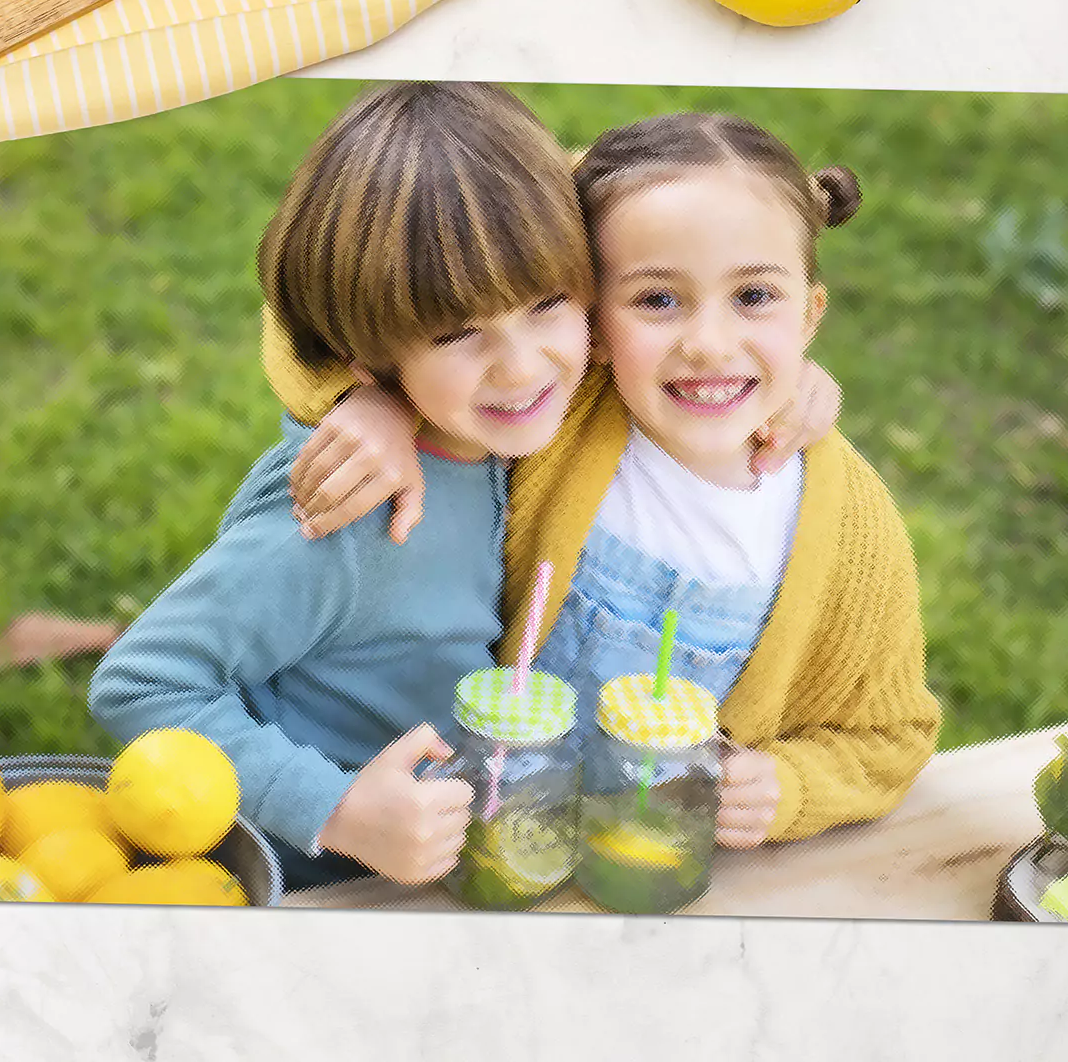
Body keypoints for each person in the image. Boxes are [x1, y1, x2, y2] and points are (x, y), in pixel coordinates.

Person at [269, 111, 942, 848]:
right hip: (474, 854)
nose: (710, 345)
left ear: (811, 314)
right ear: (588, 316)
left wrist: (793, 786)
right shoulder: (554, 415)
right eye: (657, 299)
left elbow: (890, 735)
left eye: (754, 297)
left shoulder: (850, 530)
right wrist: (369, 400)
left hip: (650, 884)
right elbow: (342, 285)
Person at [87, 81, 597, 891]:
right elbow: (143, 681)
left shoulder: (490, 425)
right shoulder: (350, 519)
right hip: (317, 888)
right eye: (459, 332)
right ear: (367, 361)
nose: (523, 364)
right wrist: (338, 807)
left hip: (447, 860)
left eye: (548, 303)